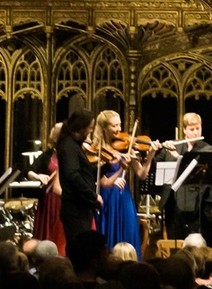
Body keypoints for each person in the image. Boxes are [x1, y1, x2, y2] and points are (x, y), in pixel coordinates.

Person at [93, 110, 157, 259]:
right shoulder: (97, 149)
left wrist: (150, 157)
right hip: (107, 198)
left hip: (123, 198)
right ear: (104, 128)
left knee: (128, 232)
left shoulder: (124, 147)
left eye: (119, 125)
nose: (119, 129)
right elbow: (103, 181)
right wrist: (121, 169)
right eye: (114, 126)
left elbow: (141, 174)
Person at [156, 113, 212, 239]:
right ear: (184, 130)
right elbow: (155, 164)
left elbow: (196, 169)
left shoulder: (207, 150)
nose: (196, 132)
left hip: (195, 205)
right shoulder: (173, 145)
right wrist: (155, 148)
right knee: (173, 238)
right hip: (172, 203)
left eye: (198, 128)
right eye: (192, 129)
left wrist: (177, 157)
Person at [56, 109, 103, 250]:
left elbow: (86, 173)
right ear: (81, 127)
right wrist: (93, 195)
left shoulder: (74, 145)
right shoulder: (68, 146)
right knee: (79, 250)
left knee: (81, 248)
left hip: (80, 208)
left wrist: (109, 165)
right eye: (90, 127)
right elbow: (73, 176)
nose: (91, 131)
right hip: (75, 209)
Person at [27, 122, 66, 255]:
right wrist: (38, 176)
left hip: (65, 197)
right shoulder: (47, 155)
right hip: (50, 199)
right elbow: (29, 171)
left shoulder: (71, 154)